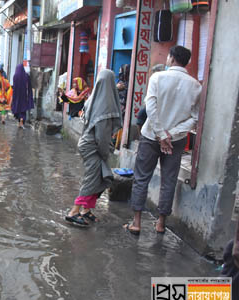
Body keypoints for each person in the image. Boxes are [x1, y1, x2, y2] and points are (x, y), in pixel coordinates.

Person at [125, 46, 201, 235]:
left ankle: (136, 222)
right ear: (187, 62)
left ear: (171, 58)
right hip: (175, 141)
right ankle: (160, 223)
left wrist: (161, 133)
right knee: (169, 180)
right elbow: (195, 118)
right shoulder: (195, 86)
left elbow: (150, 108)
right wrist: (171, 134)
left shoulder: (157, 78)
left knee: (142, 178)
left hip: (151, 136)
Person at [64, 70, 122, 226]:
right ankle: (74, 211)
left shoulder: (93, 99)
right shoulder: (106, 105)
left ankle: (86, 210)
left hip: (87, 144)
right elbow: (102, 137)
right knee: (91, 178)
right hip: (93, 146)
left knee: (101, 177)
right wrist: (105, 153)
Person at [11, 64, 34, 128]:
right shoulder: (26, 76)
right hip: (24, 95)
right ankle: (21, 121)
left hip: (16, 95)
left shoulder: (15, 76)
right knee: (23, 108)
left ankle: (19, 122)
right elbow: (29, 86)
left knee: (17, 107)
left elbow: (14, 86)